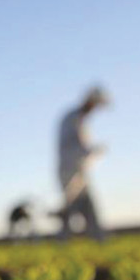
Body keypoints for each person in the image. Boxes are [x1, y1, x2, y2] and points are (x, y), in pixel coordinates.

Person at [55, 87, 108, 241]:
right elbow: (72, 146)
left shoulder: (81, 120)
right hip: (69, 172)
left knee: (88, 207)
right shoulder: (72, 118)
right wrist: (93, 150)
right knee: (71, 208)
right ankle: (63, 242)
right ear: (90, 101)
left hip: (80, 172)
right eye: (95, 105)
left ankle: (99, 239)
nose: (95, 109)